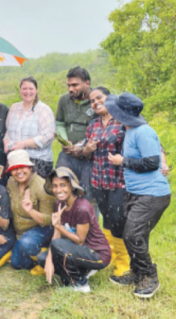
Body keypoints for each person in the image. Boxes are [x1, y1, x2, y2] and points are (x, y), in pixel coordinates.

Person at [105, 93, 171, 298]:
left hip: (152, 194)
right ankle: (137, 272)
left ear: (123, 114)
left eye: (115, 111)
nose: (112, 113)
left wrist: (122, 161)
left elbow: (152, 163)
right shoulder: (129, 130)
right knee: (135, 234)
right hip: (135, 192)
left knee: (132, 235)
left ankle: (150, 276)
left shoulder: (143, 132)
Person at [65, 87, 130, 277]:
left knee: (118, 221)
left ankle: (124, 262)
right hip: (98, 181)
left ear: (109, 98)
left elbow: (140, 144)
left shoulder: (123, 121)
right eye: (92, 101)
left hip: (118, 181)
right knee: (107, 220)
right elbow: (85, 151)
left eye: (99, 98)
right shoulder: (93, 125)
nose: (95, 103)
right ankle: (110, 255)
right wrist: (87, 149)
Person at [39, 167, 111, 293]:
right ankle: (82, 272)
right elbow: (56, 234)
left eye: (63, 185)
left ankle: (80, 284)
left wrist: (59, 226)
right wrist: (49, 261)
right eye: (55, 186)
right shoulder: (59, 204)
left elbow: (79, 240)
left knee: (58, 246)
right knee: (43, 258)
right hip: (79, 250)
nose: (58, 190)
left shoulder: (82, 208)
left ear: (72, 186)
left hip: (97, 253)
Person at [6, 150, 57, 275]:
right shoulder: (11, 182)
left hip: (41, 230)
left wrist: (31, 211)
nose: (18, 172)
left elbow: (49, 220)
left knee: (26, 243)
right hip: (20, 232)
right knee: (17, 264)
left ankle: (45, 258)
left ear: (30, 167)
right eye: (14, 168)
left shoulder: (42, 187)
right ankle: (30, 254)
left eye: (22, 167)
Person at [56, 67, 96, 200]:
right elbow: (60, 123)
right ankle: (65, 219)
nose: (70, 89)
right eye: (68, 85)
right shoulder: (64, 100)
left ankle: (89, 220)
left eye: (75, 85)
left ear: (87, 83)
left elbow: (102, 128)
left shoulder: (97, 100)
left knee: (87, 194)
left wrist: (83, 148)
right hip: (68, 154)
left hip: (90, 156)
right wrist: (64, 140)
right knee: (61, 186)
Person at [4, 77, 56, 178]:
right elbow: (8, 131)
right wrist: (6, 143)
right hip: (15, 159)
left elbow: (48, 136)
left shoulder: (43, 109)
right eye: (24, 88)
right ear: (20, 90)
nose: (27, 92)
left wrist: (24, 144)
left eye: (31, 89)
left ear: (36, 90)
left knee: (34, 191)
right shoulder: (14, 108)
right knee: (14, 191)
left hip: (37, 160)